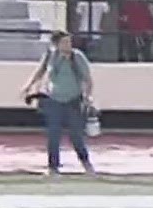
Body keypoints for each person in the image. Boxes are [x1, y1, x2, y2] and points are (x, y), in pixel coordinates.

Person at [20, 31, 97, 176]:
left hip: (73, 100)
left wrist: (88, 96)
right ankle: (53, 167)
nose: (68, 45)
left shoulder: (77, 57)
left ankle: (86, 163)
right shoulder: (50, 56)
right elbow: (40, 72)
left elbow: (88, 79)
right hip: (53, 100)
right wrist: (28, 86)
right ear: (56, 44)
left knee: (76, 135)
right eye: (64, 42)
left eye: (69, 42)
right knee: (53, 135)